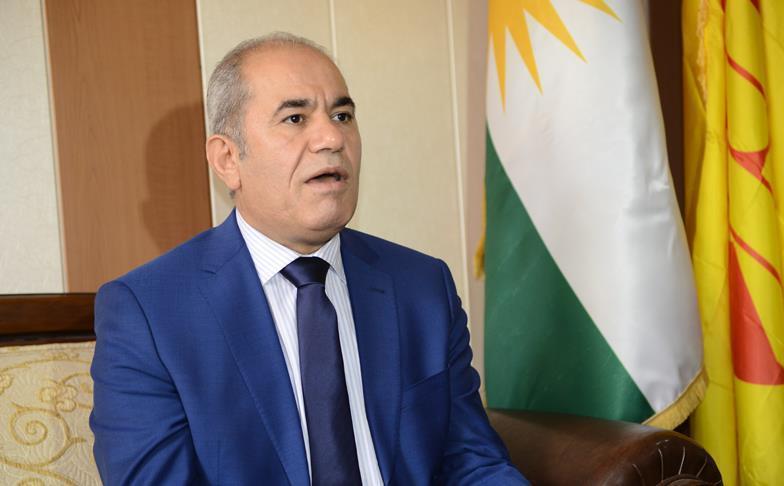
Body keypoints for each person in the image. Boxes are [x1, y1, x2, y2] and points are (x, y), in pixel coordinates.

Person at [89, 32, 527, 485]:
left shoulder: (422, 286)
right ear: (228, 159)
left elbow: (472, 462)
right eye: (295, 118)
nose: (332, 137)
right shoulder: (149, 312)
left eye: (342, 115)